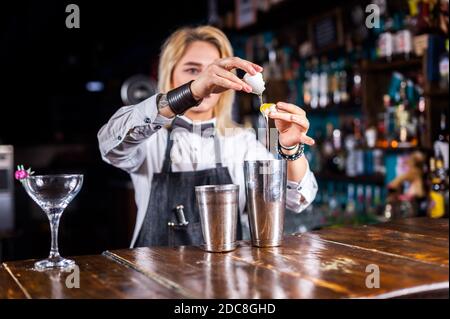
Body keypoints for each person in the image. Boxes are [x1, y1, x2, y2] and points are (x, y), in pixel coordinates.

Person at [97, 26, 318, 248]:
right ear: (170, 75)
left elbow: (296, 199)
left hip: (228, 277)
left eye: (215, 71)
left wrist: (291, 149)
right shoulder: (150, 139)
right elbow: (109, 144)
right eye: (193, 71)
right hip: (153, 278)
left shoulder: (240, 142)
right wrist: (191, 93)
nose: (208, 80)